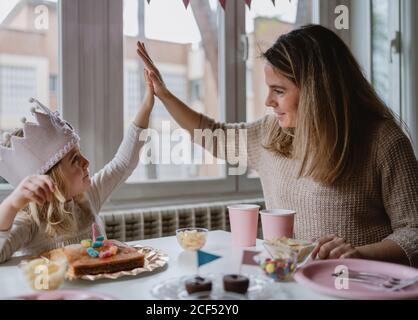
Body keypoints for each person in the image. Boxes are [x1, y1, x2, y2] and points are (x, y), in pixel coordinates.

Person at [136, 25, 418, 267]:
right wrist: (164, 94)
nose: (268, 101)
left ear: (316, 92)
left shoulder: (383, 141)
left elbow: (413, 232)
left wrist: (357, 255)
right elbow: (214, 135)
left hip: (358, 289)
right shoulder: (272, 134)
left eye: (279, 91)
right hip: (290, 286)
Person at [0, 71, 155, 267]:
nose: (86, 162)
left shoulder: (87, 197)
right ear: (52, 177)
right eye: (75, 159)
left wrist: (148, 103)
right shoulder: (31, 222)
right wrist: (13, 203)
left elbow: (123, 163)